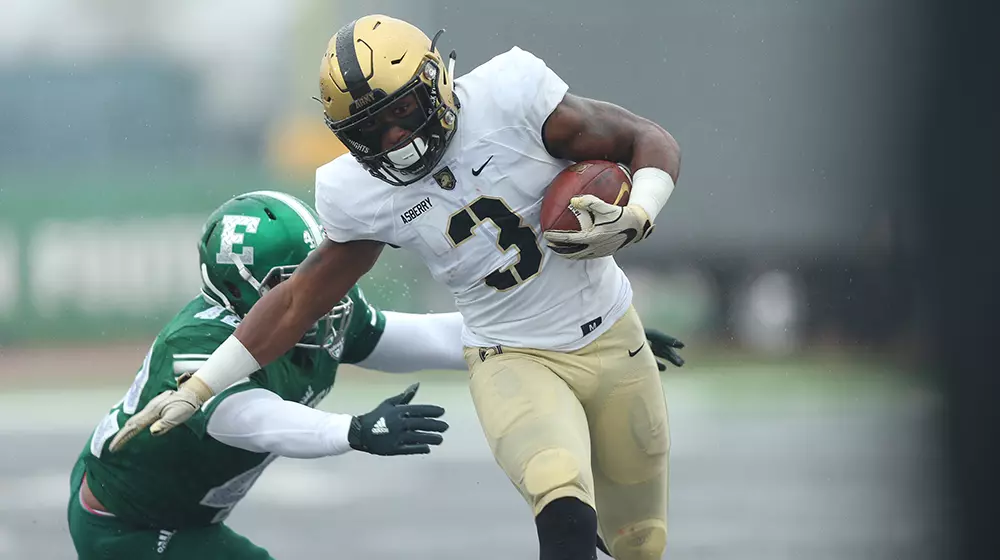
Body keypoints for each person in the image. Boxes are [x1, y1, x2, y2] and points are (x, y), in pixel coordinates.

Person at [111, 14, 683, 560]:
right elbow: (297, 300)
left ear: (434, 81)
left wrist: (640, 211)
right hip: (511, 354)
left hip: (611, 330)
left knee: (640, 540)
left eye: (403, 110)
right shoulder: (357, 190)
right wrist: (203, 385)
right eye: (370, 130)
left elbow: (646, 139)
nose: (395, 138)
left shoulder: (512, 96)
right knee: (561, 503)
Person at [70, 191, 459, 559]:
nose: (315, 293)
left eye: (316, 273)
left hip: (188, 519)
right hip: (127, 525)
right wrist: (352, 430)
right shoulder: (197, 341)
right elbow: (251, 419)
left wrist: (504, 338)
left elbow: (415, 337)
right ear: (239, 291)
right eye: (290, 282)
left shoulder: (325, 310)